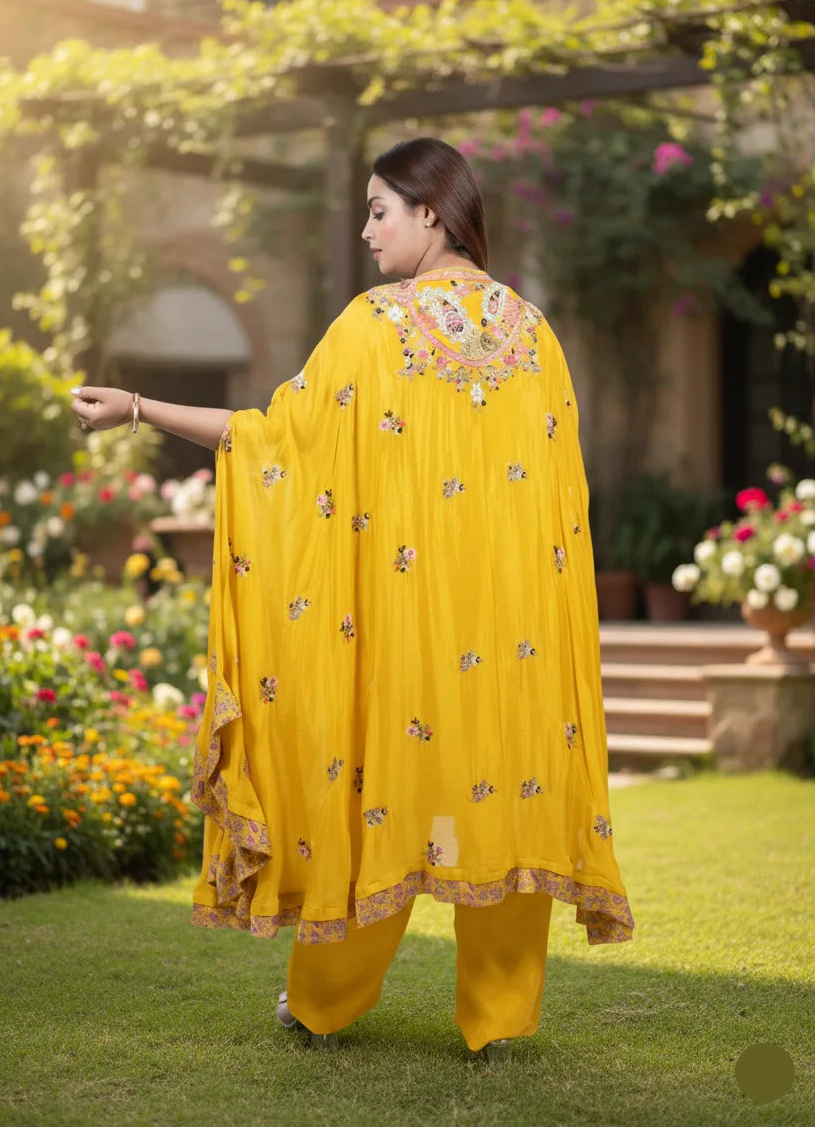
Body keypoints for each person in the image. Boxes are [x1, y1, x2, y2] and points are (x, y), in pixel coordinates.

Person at [71, 136, 634, 1061]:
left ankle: (327, 1000)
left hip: (408, 632)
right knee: (507, 795)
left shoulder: (375, 327)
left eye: (380, 211)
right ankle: (497, 1016)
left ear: (433, 214)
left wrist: (139, 406)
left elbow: (271, 443)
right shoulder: (536, 332)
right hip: (514, 632)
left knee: (374, 790)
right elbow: (565, 508)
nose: (367, 232)